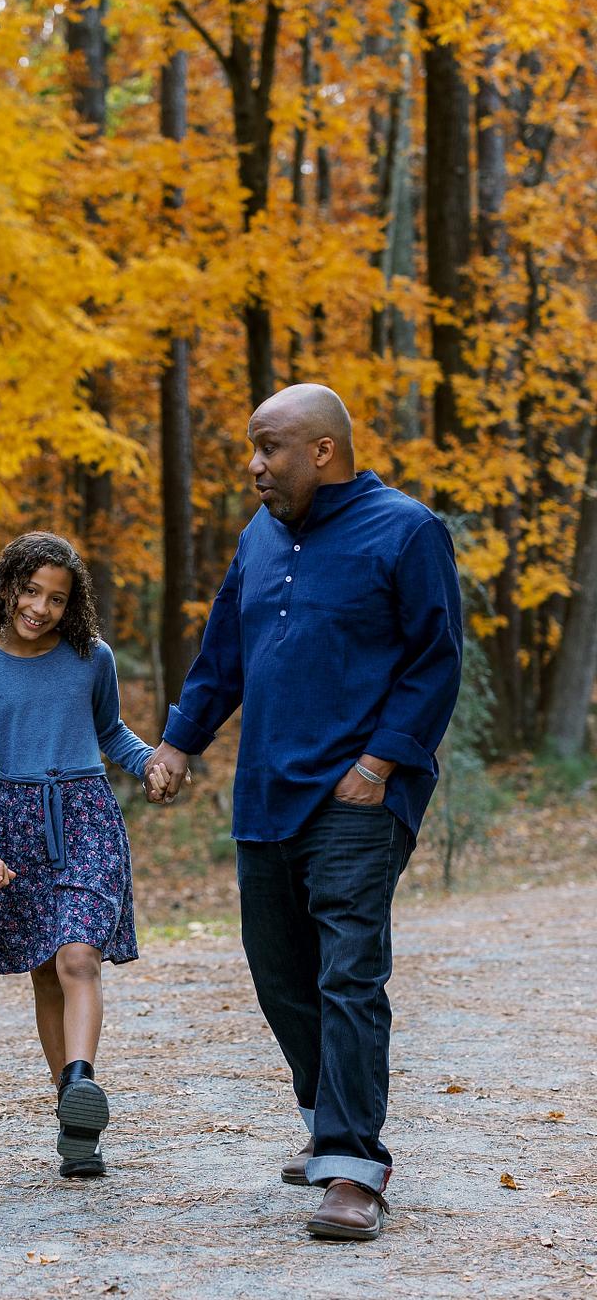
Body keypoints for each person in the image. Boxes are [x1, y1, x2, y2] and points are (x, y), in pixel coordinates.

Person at [145, 383, 462, 1242]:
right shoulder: (258, 537)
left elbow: (437, 661)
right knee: (278, 969)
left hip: (359, 793)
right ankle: (329, 1114)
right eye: (253, 448)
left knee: (348, 971)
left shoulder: (406, 531)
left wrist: (380, 761)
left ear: (322, 450)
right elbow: (223, 653)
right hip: (265, 793)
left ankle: (354, 1166)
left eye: (269, 447)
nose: (254, 465)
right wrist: (179, 742)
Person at [0, 531, 155, 1179]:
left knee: (77, 956)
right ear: (5, 587)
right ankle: (74, 1121)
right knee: (44, 968)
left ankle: (80, 1081)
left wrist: (151, 763)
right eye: (30, 591)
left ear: (74, 605)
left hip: (87, 812)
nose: (40, 607)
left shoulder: (91, 658)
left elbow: (110, 731)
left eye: (57, 598)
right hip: (14, 823)